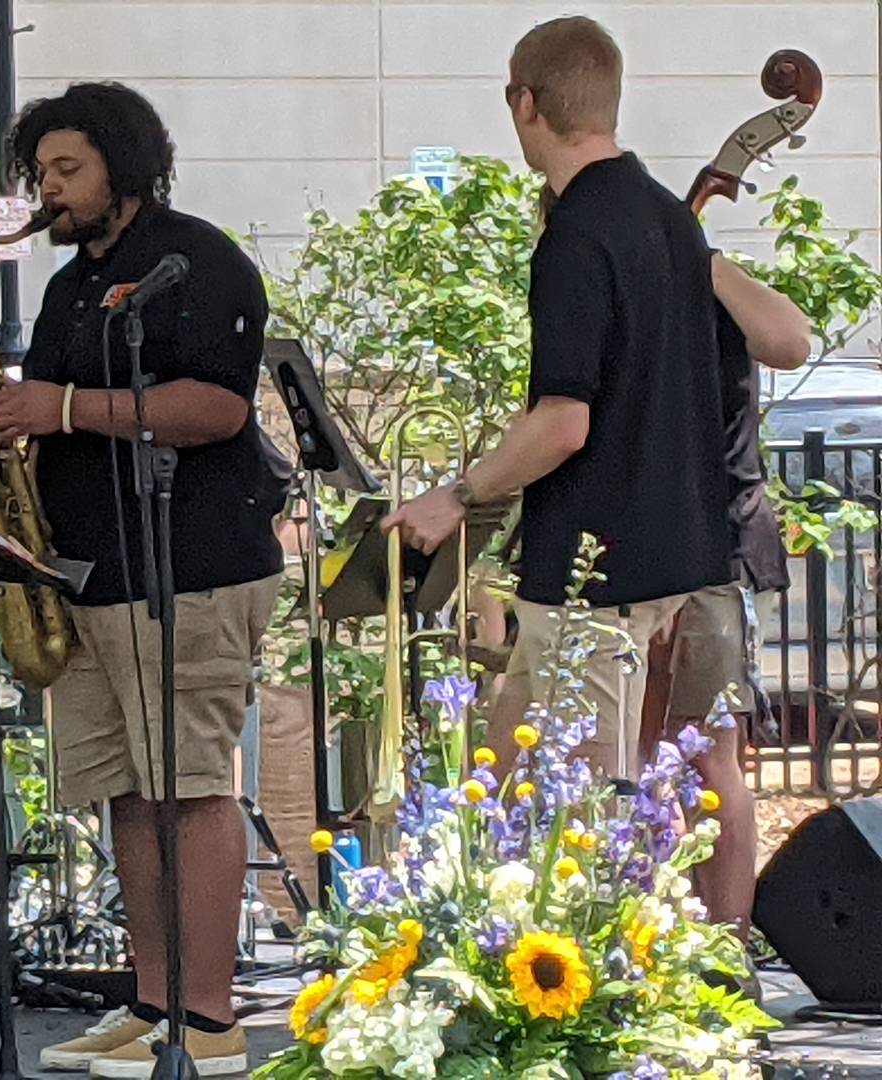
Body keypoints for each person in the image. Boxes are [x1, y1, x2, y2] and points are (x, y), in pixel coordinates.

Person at [0, 82, 285, 1077]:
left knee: (191, 786)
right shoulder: (71, 288)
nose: (50, 192)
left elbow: (217, 410)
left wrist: (57, 406)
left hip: (188, 565)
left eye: (68, 170)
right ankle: (153, 1001)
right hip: (93, 573)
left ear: (125, 165)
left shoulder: (196, 263)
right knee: (128, 793)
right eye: (40, 175)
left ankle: (209, 1021)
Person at [384, 16, 736, 781]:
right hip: (669, 553)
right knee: (505, 786)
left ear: (525, 104)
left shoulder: (578, 234)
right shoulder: (673, 220)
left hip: (593, 574)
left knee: (583, 815)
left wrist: (457, 494)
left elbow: (564, 421)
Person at [637, 258, 810, 934]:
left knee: (710, 753)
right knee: (643, 750)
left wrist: (705, 260)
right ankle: (659, 932)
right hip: (648, 552)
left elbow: (790, 341)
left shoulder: (704, 284)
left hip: (718, 548)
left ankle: (730, 944)